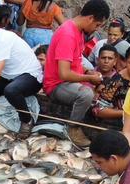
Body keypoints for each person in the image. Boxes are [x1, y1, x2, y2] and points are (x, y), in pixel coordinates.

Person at [43, 0, 110, 147]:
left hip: (69, 81)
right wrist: (89, 78)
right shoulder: (68, 34)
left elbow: (75, 62)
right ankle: (72, 128)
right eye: (97, 25)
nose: (96, 29)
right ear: (90, 18)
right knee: (86, 94)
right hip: (56, 85)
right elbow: (64, 74)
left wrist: (87, 71)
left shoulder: (78, 31)